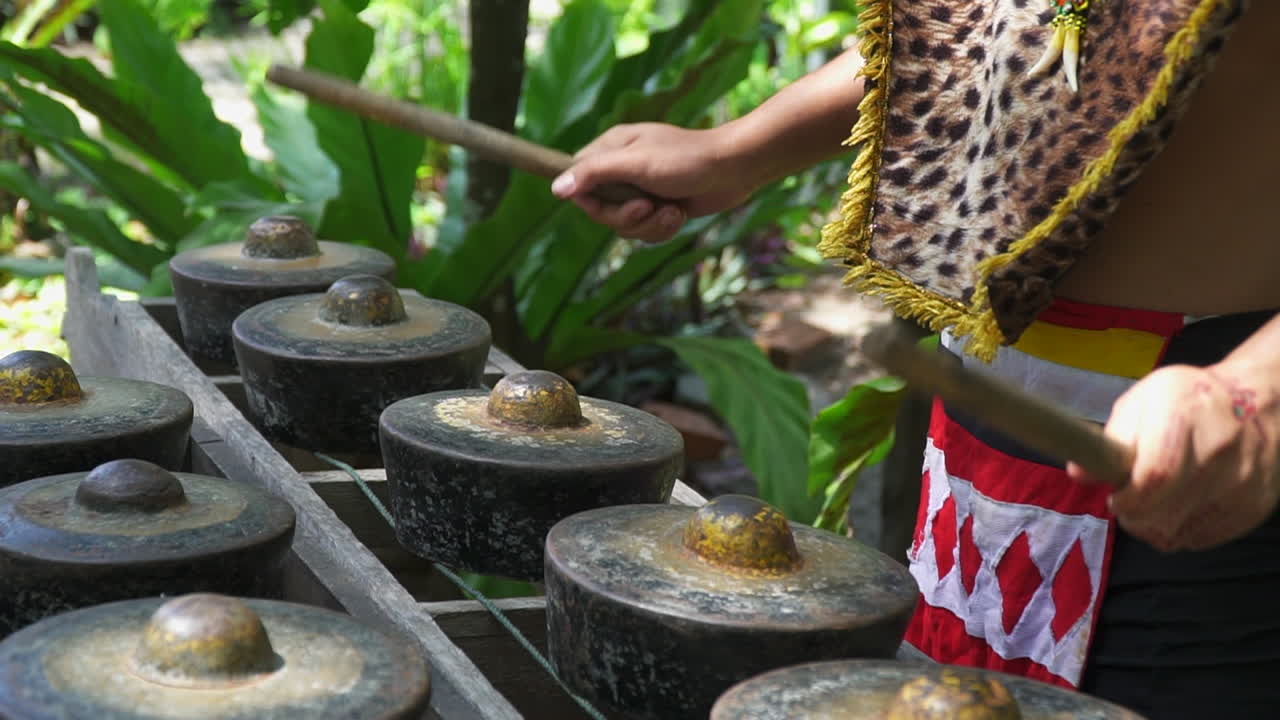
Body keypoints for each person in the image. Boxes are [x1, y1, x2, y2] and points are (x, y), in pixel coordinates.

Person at [551, 1, 1279, 718]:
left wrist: (1253, 394)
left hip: (1210, 453)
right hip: (983, 435)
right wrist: (740, 149)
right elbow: (982, 28)